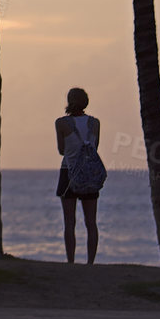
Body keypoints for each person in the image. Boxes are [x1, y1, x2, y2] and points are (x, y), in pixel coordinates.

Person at [55, 86, 100, 264]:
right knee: (91, 222)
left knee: (69, 222)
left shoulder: (61, 123)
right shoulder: (94, 123)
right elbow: (94, 148)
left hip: (68, 172)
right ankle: (90, 262)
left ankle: (71, 261)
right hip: (89, 172)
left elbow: (61, 150)